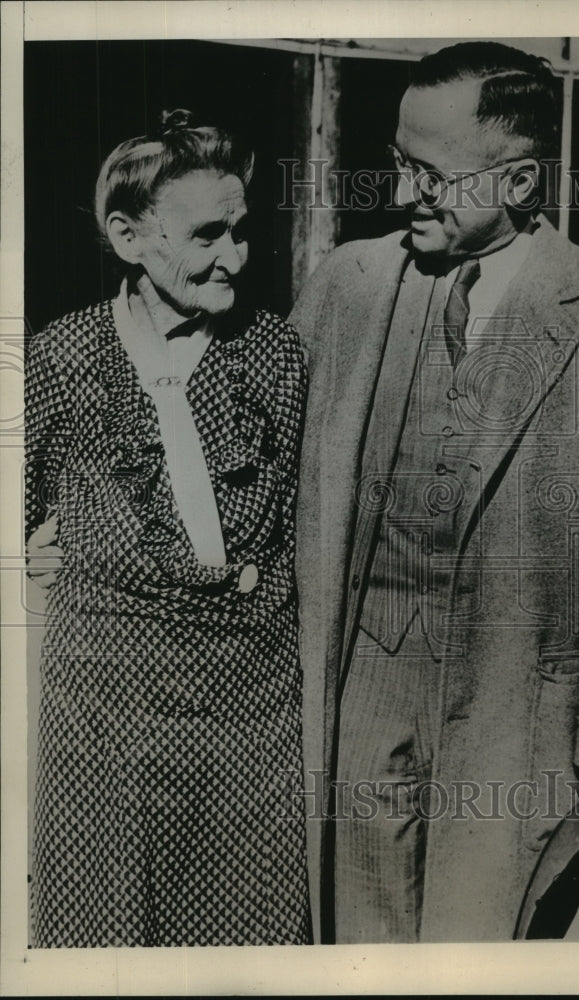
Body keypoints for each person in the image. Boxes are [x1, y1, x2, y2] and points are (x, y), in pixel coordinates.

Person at [289, 42, 579, 943]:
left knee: (480, 945)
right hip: (359, 687)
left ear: (516, 180)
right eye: (396, 165)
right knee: (357, 944)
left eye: (430, 176)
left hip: (516, 711)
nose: (401, 196)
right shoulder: (347, 284)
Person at [24, 110, 311, 947]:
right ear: (126, 235)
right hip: (104, 703)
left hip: (249, 701)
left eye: (242, 231)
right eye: (207, 234)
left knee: (245, 922)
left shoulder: (274, 354)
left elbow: (298, 517)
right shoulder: (63, 356)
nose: (235, 256)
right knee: (103, 923)